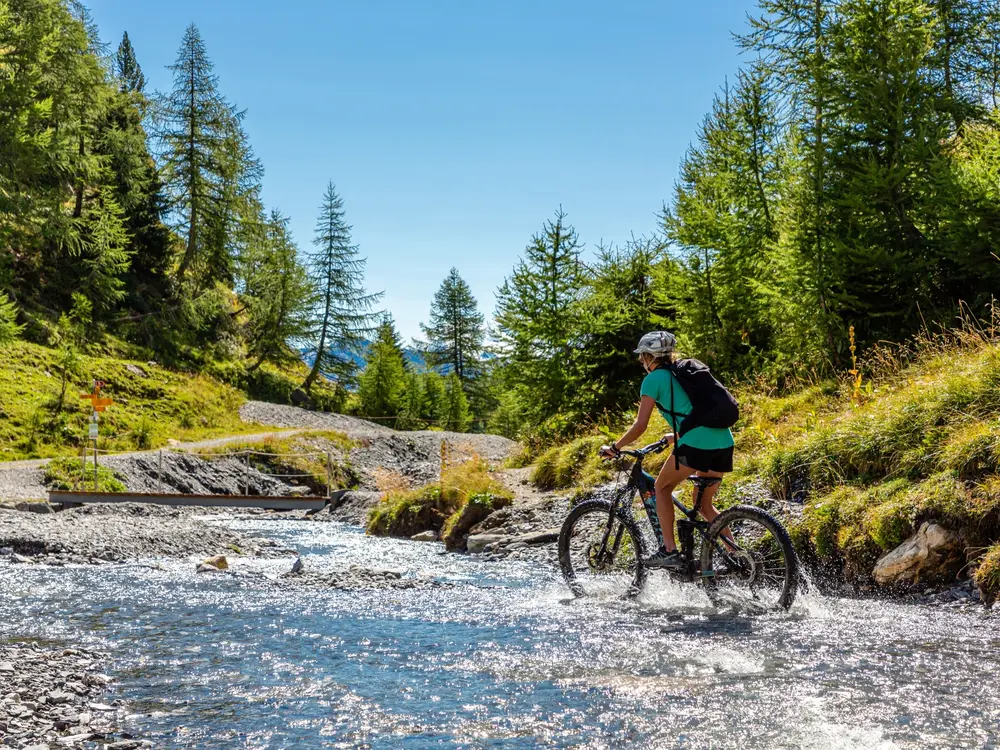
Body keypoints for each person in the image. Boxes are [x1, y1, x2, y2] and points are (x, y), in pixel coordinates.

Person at [599, 331, 735, 569]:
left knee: (661, 487)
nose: (642, 362)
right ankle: (737, 555)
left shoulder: (653, 379)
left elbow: (640, 425)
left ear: (650, 357)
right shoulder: (682, 374)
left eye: (643, 358)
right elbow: (696, 412)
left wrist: (615, 447)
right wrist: (676, 436)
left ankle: (670, 551)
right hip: (723, 440)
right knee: (704, 505)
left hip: (696, 444)